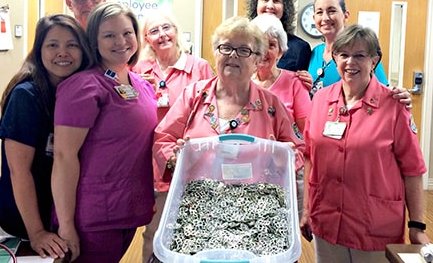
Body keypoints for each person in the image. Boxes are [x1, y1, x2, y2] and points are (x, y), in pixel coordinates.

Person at [301, 24, 429, 263]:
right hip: (326, 219)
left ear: (374, 61)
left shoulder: (393, 105)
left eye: (360, 55)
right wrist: (307, 210)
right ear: (335, 59)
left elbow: (413, 169)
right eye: (344, 55)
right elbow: (310, 156)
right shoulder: (320, 100)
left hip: (374, 225)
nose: (351, 62)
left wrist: (417, 226)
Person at [153, 15, 305, 199]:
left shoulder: (271, 105)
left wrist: (282, 159)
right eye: (226, 47)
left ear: (257, 61)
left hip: (254, 208)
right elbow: (163, 139)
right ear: (215, 53)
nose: (233, 54)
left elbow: (298, 150)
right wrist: (176, 159)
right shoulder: (193, 96)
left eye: (243, 50)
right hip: (197, 205)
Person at [51, 2, 157, 262]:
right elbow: (64, 157)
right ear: (94, 41)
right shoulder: (83, 87)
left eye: (127, 33)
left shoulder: (141, 85)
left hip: (128, 208)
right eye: (109, 35)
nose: (120, 41)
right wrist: (66, 224)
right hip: (92, 216)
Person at [0, 14, 92, 259]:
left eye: (72, 45)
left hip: (59, 217)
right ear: (39, 51)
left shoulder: (76, 93)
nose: (63, 53)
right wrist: (37, 232)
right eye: (52, 45)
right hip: (26, 224)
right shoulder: (26, 96)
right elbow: (19, 172)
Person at [131, 10, 214, 262]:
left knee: (191, 231)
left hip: (186, 160)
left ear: (176, 31)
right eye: (154, 31)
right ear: (146, 39)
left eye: (166, 28)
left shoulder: (199, 67)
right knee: (154, 230)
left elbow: (210, 111)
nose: (162, 35)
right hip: (146, 160)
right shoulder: (137, 69)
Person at [251, 14, 311, 224]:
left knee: (283, 231)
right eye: (259, 44)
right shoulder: (241, 83)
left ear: (281, 51)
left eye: (272, 45)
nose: (265, 52)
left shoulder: (295, 83)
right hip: (248, 173)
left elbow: (307, 136)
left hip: (286, 173)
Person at [246, 0, 311, 72]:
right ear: (256, 4)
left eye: (276, 1)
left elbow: (300, 84)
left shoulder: (300, 48)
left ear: (285, 7)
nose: (270, 6)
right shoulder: (243, 42)